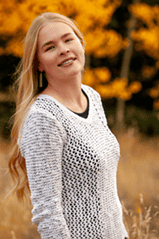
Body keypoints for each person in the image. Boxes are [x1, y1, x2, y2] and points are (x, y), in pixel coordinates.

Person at [9, 12, 128, 239]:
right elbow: (47, 212)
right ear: (39, 64)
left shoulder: (92, 97)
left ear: (81, 44)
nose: (63, 49)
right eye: (50, 47)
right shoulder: (43, 118)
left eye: (68, 39)